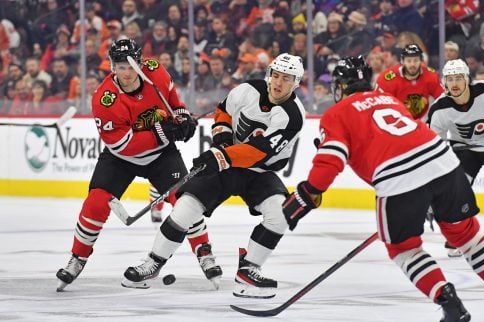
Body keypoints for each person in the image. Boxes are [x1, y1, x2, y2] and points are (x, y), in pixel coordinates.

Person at [282, 56, 484, 322]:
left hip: (399, 180)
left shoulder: (336, 114)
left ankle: (447, 301)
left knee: (404, 249)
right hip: (444, 163)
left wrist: (305, 195)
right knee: (466, 234)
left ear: (340, 87)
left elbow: (329, 162)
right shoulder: (390, 101)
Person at [122, 53, 306, 298]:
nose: (279, 82)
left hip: (258, 172)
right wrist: (221, 141)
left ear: (296, 83)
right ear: (268, 74)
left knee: (280, 214)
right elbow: (223, 112)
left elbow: (260, 151)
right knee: (185, 207)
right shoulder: (247, 89)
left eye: (286, 78)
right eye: (276, 75)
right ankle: (153, 263)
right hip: (227, 165)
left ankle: (249, 271)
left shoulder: (293, 115)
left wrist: (221, 156)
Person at [56, 39, 222, 291]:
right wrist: (163, 132)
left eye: (131, 66)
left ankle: (204, 252)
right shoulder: (105, 99)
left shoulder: (156, 71)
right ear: (112, 67)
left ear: (141, 63)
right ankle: (77, 258)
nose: (126, 73)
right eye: (120, 67)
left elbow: (173, 102)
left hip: (161, 155)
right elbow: (123, 145)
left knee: (187, 200)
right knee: (96, 202)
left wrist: (182, 118)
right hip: (120, 159)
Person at [428, 59, 484, 257]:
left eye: (459, 78)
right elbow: (434, 146)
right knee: (455, 191)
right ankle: (458, 238)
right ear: (444, 82)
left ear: (467, 79)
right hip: (464, 149)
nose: (455, 83)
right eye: (450, 79)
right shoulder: (439, 109)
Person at [376, 44, 444, 122]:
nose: (412, 64)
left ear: (421, 61)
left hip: (423, 122)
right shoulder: (388, 78)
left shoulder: (430, 75)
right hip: (396, 121)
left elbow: (444, 99)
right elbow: (379, 107)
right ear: (402, 61)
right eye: (409, 61)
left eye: (416, 60)